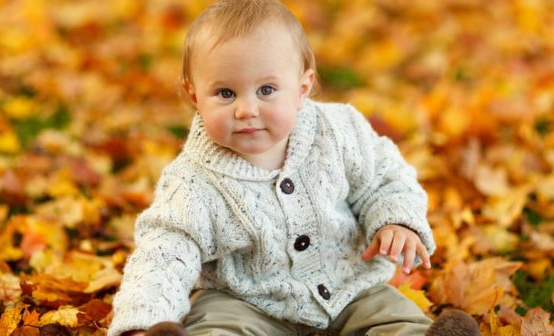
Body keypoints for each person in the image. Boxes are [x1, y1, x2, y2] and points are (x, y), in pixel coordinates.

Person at [108, 0, 479, 335]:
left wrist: (395, 220)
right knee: (217, 324)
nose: (246, 109)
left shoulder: (338, 131)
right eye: (225, 93)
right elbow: (164, 252)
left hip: (348, 290)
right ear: (194, 95)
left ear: (302, 87)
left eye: (266, 90)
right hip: (248, 303)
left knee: (391, 316)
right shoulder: (192, 181)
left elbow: (384, 178)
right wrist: (144, 321)